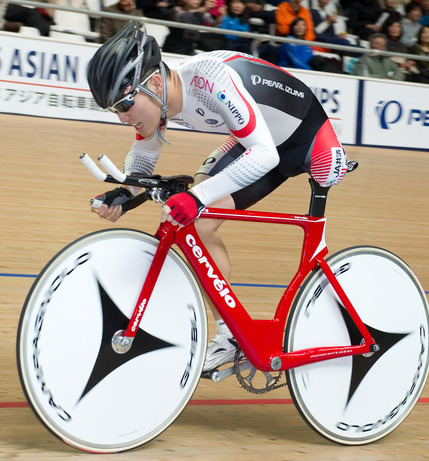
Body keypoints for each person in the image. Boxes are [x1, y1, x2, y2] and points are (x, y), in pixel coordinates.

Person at [86, 20, 348, 372]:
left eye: (124, 104)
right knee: (200, 223)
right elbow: (145, 154)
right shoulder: (161, 100)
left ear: (156, 84)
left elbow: (266, 156)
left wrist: (197, 197)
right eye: (113, 110)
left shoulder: (206, 80)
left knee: (199, 204)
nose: (121, 118)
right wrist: (124, 192)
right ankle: (232, 334)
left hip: (307, 141)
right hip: (257, 140)